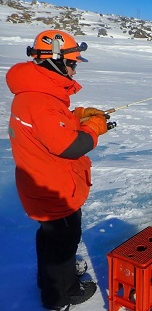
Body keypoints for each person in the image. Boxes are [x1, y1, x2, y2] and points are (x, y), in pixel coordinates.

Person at [6, 29, 109, 311]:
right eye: (72, 63)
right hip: (53, 189)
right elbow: (71, 147)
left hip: (44, 184)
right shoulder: (40, 100)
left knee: (52, 239)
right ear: (54, 59)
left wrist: (75, 116)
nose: (75, 70)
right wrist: (94, 127)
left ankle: (52, 279)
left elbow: (49, 128)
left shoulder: (36, 93)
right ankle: (61, 295)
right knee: (63, 242)